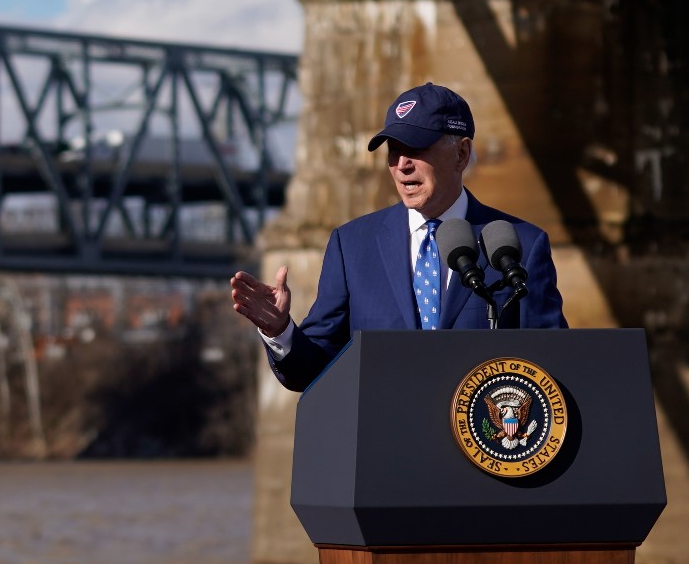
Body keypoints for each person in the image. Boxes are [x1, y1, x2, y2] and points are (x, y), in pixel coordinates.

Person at [229, 82, 566, 392]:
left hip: (484, 447)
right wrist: (281, 332)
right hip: (383, 448)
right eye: (393, 149)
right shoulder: (353, 246)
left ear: (461, 154)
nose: (401, 164)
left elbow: (554, 368)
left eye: (416, 148)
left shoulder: (518, 244)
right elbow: (315, 368)